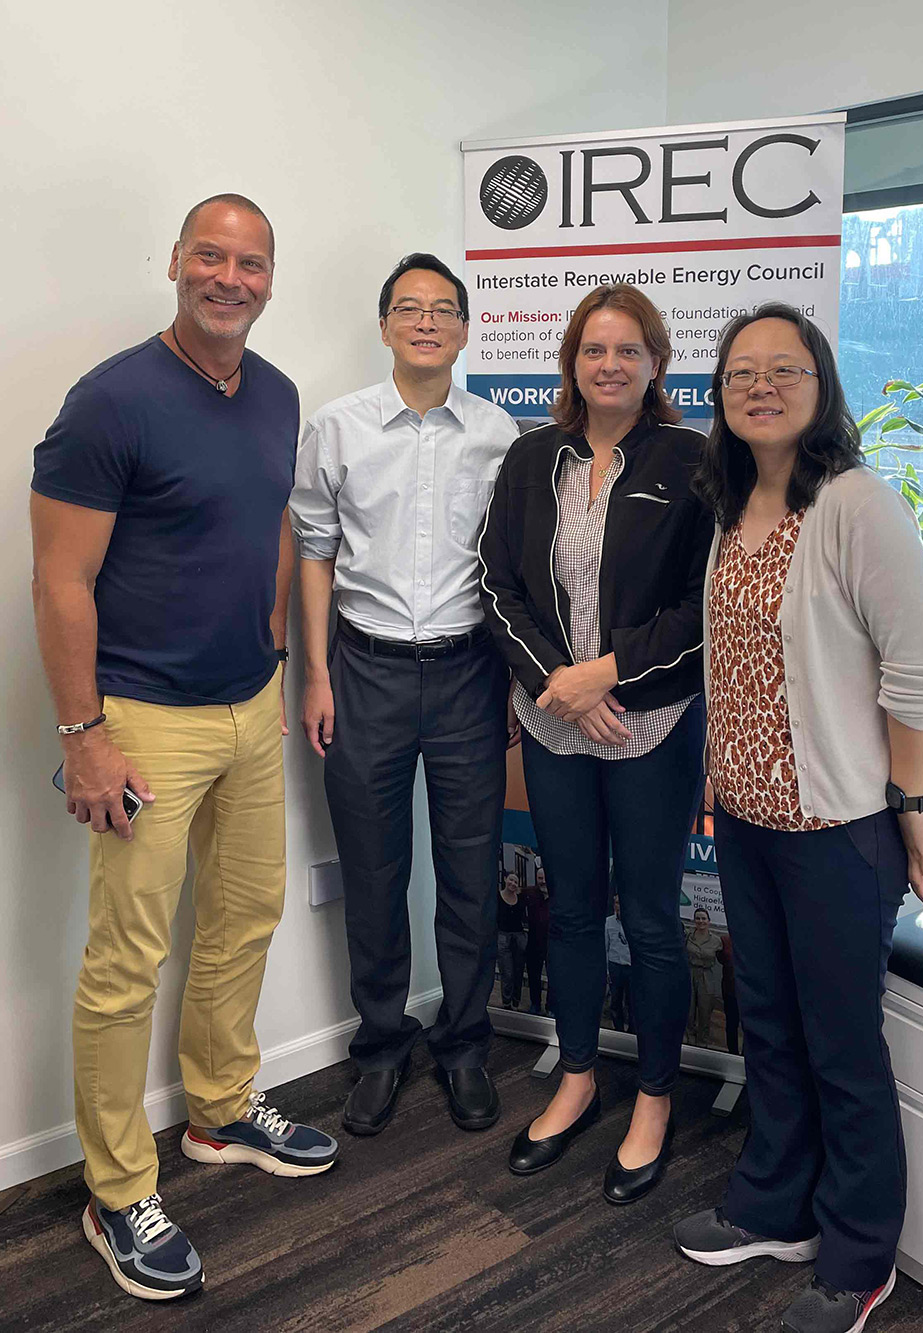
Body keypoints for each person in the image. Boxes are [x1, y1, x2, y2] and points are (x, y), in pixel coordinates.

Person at [30, 194, 338, 1303]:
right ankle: (117, 1189)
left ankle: (217, 1111)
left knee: (245, 915)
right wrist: (86, 733)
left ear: (269, 278)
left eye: (250, 261)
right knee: (127, 959)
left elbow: (265, 529)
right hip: (143, 717)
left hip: (249, 703)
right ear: (174, 263)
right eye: (210, 254)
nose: (229, 276)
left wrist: (270, 651)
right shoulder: (112, 400)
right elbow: (59, 579)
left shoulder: (277, 394)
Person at [673, 302, 923, 1333]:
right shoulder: (732, 502)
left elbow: (921, 675)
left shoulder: (855, 503)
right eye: (740, 370)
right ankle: (773, 1203)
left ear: (819, 384)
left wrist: (912, 804)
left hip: (838, 828)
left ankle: (857, 1255)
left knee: (840, 1045)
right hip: (748, 820)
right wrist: (718, 771)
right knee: (773, 1028)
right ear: (720, 394)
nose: (759, 384)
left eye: (782, 368)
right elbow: (737, 668)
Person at [479, 283, 714, 1205]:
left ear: (656, 362)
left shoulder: (692, 460)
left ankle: (653, 1099)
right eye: (592, 349)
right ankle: (577, 1075)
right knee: (573, 908)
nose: (608, 364)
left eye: (627, 349)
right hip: (553, 722)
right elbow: (498, 585)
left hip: (651, 722)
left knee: (653, 919)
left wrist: (606, 673)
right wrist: (558, 687)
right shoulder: (531, 456)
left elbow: (703, 603)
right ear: (571, 362)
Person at [290, 253, 519, 1137]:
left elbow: (508, 571)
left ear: (465, 330)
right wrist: (315, 671)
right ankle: (381, 1048)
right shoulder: (336, 428)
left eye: (444, 311)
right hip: (364, 672)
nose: (426, 322)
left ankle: (463, 1045)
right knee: (375, 871)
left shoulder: (501, 435)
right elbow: (314, 549)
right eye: (409, 309)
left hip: (469, 674)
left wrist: (507, 680)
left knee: (469, 873)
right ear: (384, 325)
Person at [684, 907, 722, 1047]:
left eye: (703, 918)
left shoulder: (717, 941)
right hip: (690, 972)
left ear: (709, 921)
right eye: (698, 918)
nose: (701, 921)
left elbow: (723, 958)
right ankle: (688, 1038)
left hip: (707, 975)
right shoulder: (688, 936)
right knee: (689, 1009)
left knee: (705, 1010)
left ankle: (702, 1042)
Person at [497, 872, 528, 1009]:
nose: (513, 884)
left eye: (516, 882)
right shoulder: (497, 897)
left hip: (519, 937)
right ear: (505, 879)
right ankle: (506, 1003)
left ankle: (516, 1002)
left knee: (518, 971)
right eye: (511, 880)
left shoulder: (521, 898)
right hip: (503, 937)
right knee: (507, 973)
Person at [525, 865, 551, 1015]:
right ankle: (535, 1004)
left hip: (552, 944)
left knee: (553, 977)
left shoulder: (557, 895)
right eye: (540, 878)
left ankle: (550, 1007)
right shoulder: (529, 893)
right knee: (533, 976)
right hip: (534, 943)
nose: (543, 881)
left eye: (545, 878)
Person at [605, 894, 632, 1033]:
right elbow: (605, 947)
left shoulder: (635, 922)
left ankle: (632, 1031)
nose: (618, 906)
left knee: (632, 1002)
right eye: (616, 903)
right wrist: (607, 971)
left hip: (631, 968)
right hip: (615, 966)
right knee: (615, 1001)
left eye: (621, 903)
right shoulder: (608, 922)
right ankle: (618, 1030)